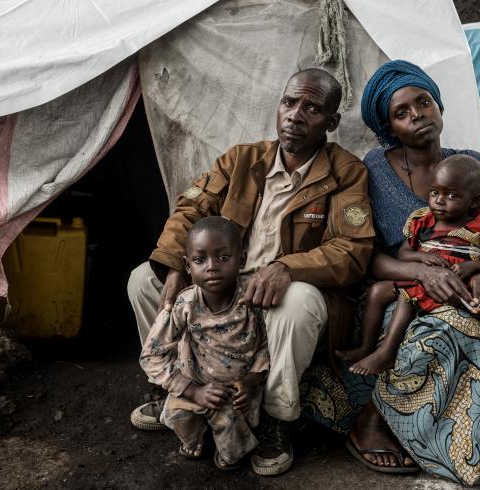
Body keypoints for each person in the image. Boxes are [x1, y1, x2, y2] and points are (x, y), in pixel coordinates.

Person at [301, 60, 480, 485]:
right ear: (389, 127)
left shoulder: (470, 161)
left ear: (439, 105)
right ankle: (374, 422)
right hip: (397, 290)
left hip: (460, 277)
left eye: (423, 103)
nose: (417, 115)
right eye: (401, 112)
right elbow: (365, 257)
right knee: (452, 324)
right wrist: (421, 274)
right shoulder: (375, 169)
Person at [128, 68, 375, 476]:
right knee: (143, 281)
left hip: (279, 293)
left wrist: (287, 267)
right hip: (223, 283)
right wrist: (173, 264)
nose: (296, 115)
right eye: (289, 102)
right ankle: (175, 392)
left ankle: (277, 420)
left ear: (331, 123)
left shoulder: (346, 172)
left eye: (312, 108)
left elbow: (353, 250)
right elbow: (190, 210)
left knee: (295, 301)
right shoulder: (240, 160)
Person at [336, 154, 480, 376]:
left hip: (455, 284)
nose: (439, 200)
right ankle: (366, 346)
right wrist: (420, 258)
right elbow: (403, 253)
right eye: (435, 192)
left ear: (474, 201)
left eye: (452, 195)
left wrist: (473, 267)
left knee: (407, 297)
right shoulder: (422, 220)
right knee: (377, 291)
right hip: (420, 275)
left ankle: (387, 352)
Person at [139, 217, 268, 471]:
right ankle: (195, 435)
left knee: (231, 458)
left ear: (241, 260)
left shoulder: (250, 301)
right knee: (178, 416)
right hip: (194, 386)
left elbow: (265, 346)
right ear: (187, 266)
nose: (211, 267)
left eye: (223, 258)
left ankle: (222, 440)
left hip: (234, 394)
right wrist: (191, 390)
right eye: (200, 260)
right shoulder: (185, 304)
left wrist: (251, 382)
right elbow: (151, 355)